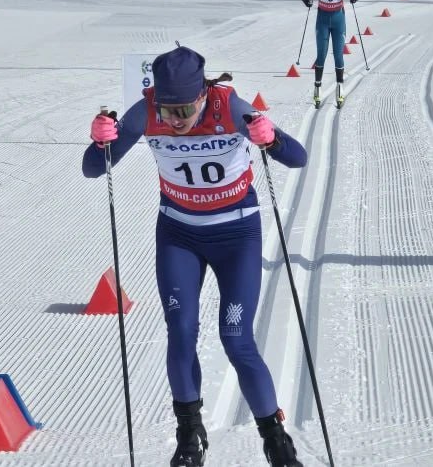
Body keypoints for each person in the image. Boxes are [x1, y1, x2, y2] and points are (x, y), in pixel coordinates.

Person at [83, 46, 308, 467]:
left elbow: (297, 158)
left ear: (203, 95)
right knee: (181, 332)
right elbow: (94, 169)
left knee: (236, 339)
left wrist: (271, 138)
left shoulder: (229, 107)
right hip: (179, 234)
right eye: (168, 111)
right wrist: (100, 143)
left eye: (185, 109)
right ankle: (189, 434)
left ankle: (276, 440)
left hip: (236, 235)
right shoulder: (145, 112)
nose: (176, 120)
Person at [300, 0, 361, 106]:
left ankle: (340, 86)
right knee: (321, 54)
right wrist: (305, 0)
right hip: (322, 21)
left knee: (338, 54)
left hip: (338, 21)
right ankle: (317, 87)